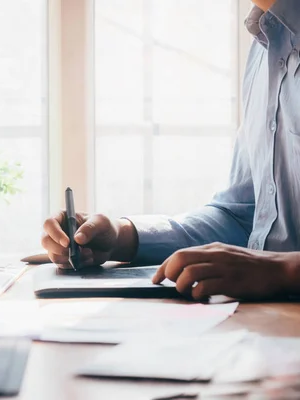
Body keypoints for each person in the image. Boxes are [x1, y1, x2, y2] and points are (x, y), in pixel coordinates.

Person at [42, 0, 300, 301]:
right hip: (265, 327)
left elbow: (264, 261)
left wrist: (280, 271)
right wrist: (123, 237)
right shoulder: (266, 45)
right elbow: (243, 217)